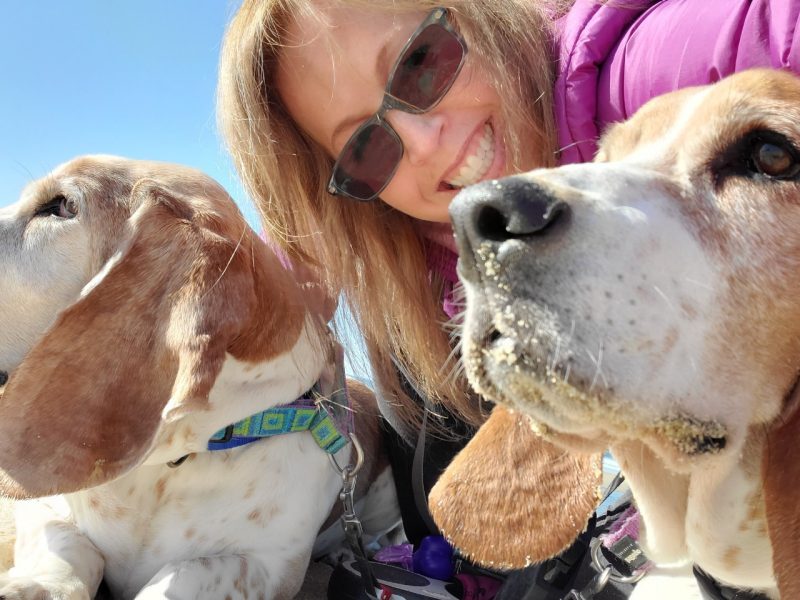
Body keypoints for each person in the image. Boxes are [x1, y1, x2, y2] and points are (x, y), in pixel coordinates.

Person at [216, 0, 799, 591]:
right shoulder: (412, 237)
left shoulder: (640, 63)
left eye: (421, 63)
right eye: (365, 149)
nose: (423, 143)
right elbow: (286, 267)